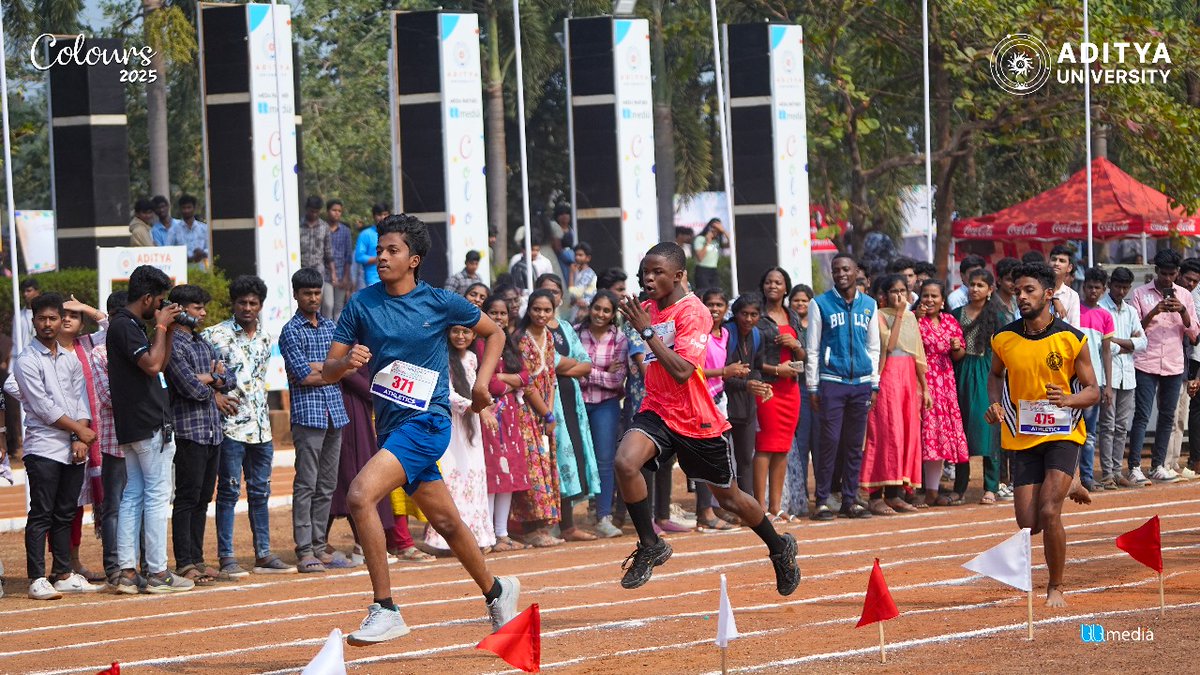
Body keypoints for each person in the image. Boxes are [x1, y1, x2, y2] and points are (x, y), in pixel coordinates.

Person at [321, 213, 520, 644]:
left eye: (392, 251)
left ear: (413, 259)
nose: (382, 258)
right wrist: (344, 363)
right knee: (446, 522)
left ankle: (386, 607)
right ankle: (497, 590)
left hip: (428, 421)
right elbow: (327, 371)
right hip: (391, 428)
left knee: (360, 494)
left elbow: (495, 333)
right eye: (379, 251)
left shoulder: (440, 302)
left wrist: (482, 385)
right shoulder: (361, 304)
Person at [613, 243, 799, 595]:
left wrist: (647, 332)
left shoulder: (693, 313)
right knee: (625, 462)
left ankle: (779, 548)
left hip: (696, 418)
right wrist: (637, 327)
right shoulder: (647, 308)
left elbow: (684, 371)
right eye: (644, 273)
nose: (648, 279)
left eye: (657, 273)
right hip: (657, 408)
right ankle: (650, 544)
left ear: (679, 276)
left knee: (729, 499)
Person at [985, 262, 1096, 608]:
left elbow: (1094, 391)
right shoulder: (1004, 339)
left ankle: (1056, 587)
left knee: (1049, 512)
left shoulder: (1071, 339)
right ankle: (1071, 483)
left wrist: (1068, 398)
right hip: (1023, 437)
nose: (1021, 296)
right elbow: (994, 376)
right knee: (1028, 523)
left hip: (1063, 434)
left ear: (1049, 294)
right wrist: (994, 405)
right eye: (1018, 291)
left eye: (1029, 290)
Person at [108, 266, 195, 594]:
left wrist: (168, 330)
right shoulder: (124, 325)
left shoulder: (125, 324)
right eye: (158, 301)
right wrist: (160, 326)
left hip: (136, 425)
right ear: (146, 298)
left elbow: (159, 358)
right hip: (147, 423)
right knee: (157, 496)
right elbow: (154, 365)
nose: (159, 307)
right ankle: (157, 572)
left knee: (133, 495)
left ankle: (128, 573)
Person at [204, 275, 294, 576]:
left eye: (253, 303)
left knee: (260, 492)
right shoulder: (212, 336)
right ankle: (227, 557)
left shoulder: (267, 339)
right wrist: (213, 395)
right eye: (241, 302)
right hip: (229, 427)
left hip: (261, 429)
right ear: (233, 303)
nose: (247, 307)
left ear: (261, 306)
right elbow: (191, 375)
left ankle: (264, 554)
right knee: (228, 492)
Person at [16, 293, 103, 599]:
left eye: (54, 318)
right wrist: (80, 431)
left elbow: (80, 398)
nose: (49, 324)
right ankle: (37, 577)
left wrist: (80, 437)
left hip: (73, 447)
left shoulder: (70, 358)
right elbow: (43, 408)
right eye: (43, 318)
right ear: (33, 321)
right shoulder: (26, 360)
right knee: (42, 512)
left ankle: (63, 572)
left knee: (66, 511)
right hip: (43, 448)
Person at [281, 268, 351, 572]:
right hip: (308, 416)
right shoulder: (290, 331)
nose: (313, 298)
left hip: (335, 414)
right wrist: (330, 369)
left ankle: (321, 546)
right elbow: (303, 376)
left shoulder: (330, 326)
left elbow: (345, 369)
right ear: (296, 295)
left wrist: (324, 369)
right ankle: (305, 549)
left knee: (327, 485)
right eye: (307, 293)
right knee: (306, 484)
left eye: (316, 293)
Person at [805, 254, 880, 520]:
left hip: (861, 384)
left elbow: (874, 347)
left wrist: (874, 383)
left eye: (846, 269)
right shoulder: (820, 304)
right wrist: (813, 386)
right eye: (836, 270)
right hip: (831, 382)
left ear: (856, 270)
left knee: (853, 445)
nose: (841, 274)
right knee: (830, 443)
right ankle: (823, 500)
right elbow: (812, 348)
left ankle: (850, 499)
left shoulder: (870, 305)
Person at [163, 284, 228, 586]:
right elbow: (188, 387)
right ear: (179, 309)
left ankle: (198, 559)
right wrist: (213, 379)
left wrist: (213, 379)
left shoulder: (202, 343)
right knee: (187, 498)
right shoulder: (173, 344)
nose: (202, 313)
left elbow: (229, 378)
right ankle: (184, 562)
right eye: (197, 308)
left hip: (213, 431)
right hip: (190, 431)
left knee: (203, 498)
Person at [535, 274, 600, 542]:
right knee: (546, 458)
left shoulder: (565, 327)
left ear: (561, 297)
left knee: (570, 457)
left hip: (570, 400)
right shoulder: (531, 331)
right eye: (545, 291)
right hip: (542, 401)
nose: (551, 296)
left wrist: (564, 365)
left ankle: (568, 524)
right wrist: (566, 364)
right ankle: (544, 523)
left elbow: (585, 363)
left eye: (555, 292)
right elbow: (548, 360)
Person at [1126, 249, 1197, 483]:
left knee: (1167, 416)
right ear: (1156, 271)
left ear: (1177, 273)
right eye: (1164, 273)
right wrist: (1155, 312)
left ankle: (1158, 465)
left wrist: (1183, 311)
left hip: (1174, 363)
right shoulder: (1140, 294)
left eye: (1172, 274)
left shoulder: (1185, 295)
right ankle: (1135, 466)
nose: (1168, 278)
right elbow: (1134, 330)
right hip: (1146, 361)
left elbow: (1194, 333)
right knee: (1143, 415)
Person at [424, 325, 497, 552]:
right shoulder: (442, 357)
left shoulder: (473, 358)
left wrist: (485, 404)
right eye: (455, 331)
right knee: (451, 475)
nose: (460, 336)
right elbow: (446, 394)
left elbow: (479, 387)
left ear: (474, 335)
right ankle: (444, 540)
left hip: (471, 426)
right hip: (450, 424)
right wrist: (478, 407)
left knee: (473, 475)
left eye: (466, 332)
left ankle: (477, 537)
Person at [862, 275, 927, 515]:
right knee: (886, 433)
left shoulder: (911, 317)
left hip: (908, 379)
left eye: (903, 290)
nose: (899, 295)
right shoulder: (878, 315)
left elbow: (918, 355)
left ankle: (894, 493)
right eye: (894, 291)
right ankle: (874, 495)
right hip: (887, 376)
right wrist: (899, 313)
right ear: (884, 295)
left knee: (905, 434)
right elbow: (887, 346)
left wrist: (925, 388)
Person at [478, 295, 532, 552]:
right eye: (494, 312)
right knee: (492, 472)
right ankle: (487, 532)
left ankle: (502, 532)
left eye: (502, 314)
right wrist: (505, 381)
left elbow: (525, 376)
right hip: (488, 412)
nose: (499, 318)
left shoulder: (510, 345)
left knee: (508, 471)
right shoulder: (479, 344)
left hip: (509, 415)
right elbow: (491, 385)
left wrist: (502, 376)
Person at [510, 289, 564, 547]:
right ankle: (529, 526)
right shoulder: (520, 339)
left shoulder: (550, 337)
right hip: (524, 409)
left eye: (547, 310)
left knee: (544, 464)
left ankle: (543, 525)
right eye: (537, 309)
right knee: (531, 466)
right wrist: (545, 412)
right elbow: (526, 382)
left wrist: (549, 413)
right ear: (528, 309)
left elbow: (551, 377)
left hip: (544, 411)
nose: (541, 315)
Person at [578, 290, 631, 539]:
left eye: (606, 310)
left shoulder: (619, 338)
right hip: (576, 402)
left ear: (613, 315)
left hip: (606, 405)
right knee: (573, 458)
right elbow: (565, 369)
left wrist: (586, 370)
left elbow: (618, 380)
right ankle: (563, 519)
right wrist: (601, 371)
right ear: (590, 308)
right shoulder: (575, 333)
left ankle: (603, 517)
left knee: (605, 461)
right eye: (597, 308)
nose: (600, 314)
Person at [951, 269, 1005, 504]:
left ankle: (990, 487)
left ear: (990, 290)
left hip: (986, 372)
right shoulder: (955, 314)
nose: (975, 289)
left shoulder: (996, 316)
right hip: (960, 372)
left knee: (988, 428)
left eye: (981, 285)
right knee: (960, 430)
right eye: (972, 284)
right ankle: (959, 487)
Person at [755, 267, 803, 521]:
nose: (773, 286)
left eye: (778, 282)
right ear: (763, 286)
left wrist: (795, 346)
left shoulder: (792, 316)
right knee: (765, 446)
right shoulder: (756, 316)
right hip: (766, 388)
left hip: (790, 389)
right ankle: (759, 507)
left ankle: (776, 507)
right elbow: (748, 358)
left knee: (782, 447)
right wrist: (776, 369)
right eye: (769, 281)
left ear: (786, 288)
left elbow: (803, 358)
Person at [916, 279, 970, 506]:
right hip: (921, 381)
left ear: (942, 300)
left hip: (945, 383)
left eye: (934, 296)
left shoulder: (949, 321)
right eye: (925, 295)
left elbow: (959, 355)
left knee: (938, 438)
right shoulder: (914, 320)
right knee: (921, 435)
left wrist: (957, 348)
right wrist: (916, 319)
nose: (929, 300)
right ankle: (912, 490)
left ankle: (932, 491)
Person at [1098, 267, 1147, 488]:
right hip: (1107, 375)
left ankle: (1117, 471)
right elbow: (1101, 346)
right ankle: (1107, 472)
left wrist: (1117, 342)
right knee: (1107, 425)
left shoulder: (1130, 311)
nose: (1121, 290)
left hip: (1128, 375)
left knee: (1121, 426)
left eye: (1125, 287)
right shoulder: (1100, 309)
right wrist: (1126, 343)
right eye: (1118, 286)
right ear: (1110, 284)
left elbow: (1143, 343)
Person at [1077, 268, 1115, 491]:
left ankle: (1087, 477)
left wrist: (1108, 386)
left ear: (1103, 290)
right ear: (1084, 287)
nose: (1093, 291)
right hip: (1073, 382)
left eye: (1097, 288)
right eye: (1090, 286)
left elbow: (1106, 352)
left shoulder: (1105, 316)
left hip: (1095, 381)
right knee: (1070, 432)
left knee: (1090, 434)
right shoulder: (1074, 311)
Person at [780, 284, 816, 519]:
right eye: (796, 300)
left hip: (814, 386)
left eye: (805, 300)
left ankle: (817, 494)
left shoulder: (815, 324)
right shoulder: (789, 326)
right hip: (793, 386)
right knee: (799, 444)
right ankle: (799, 493)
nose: (801, 304)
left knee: (817, 442)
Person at [325, 199, 355, 321]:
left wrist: (346, 277)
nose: (337, 213)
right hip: (326, 274)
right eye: (334, 210)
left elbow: (348, 256)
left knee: (339, 307)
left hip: (342, 273)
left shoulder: (345, 231)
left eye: (339, 211)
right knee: (327, 305)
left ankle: (336, 337)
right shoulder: (323, 228)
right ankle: (325, 334)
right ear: (328, 211)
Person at [165, 194, 209, 267]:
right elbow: (168, 251)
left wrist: (202, 253)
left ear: (194, 208)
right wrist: (184, 257)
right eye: (184, 208)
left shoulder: (204, 228)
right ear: (180, 209)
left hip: (202, 270)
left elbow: (211, 249)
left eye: (189, 207)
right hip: (181, 270)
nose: (186, 210)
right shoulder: (173, 230)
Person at [300, 195, 333, 287]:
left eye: (316, 212)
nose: (314, 214)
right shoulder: (298, 225)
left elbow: (328, 251)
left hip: (318, 269)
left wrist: (333, 273)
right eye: (311, 211)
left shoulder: (324, 227)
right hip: (301, 268)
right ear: (307, 209)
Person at [355, 203, 390, 287]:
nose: (382, 217)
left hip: (391, 279)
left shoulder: (394, 234)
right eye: (379, 215)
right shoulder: (366, 234)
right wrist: (377, 259)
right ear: (374, 216)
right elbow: (359, 257)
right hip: (372, 281)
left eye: (385, 214)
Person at [1048, 245, 1081, 327]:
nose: (1056, 263)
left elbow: (1074, 328)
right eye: (1054, 259)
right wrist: (1053, 299)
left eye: (1061, 261)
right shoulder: (1039, 288)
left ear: (1069, 268)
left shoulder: (1072, 296)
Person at [692, 218, 726, 292]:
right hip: (702, 270)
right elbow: (700, 257)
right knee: (704, 292)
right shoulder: (700, 239)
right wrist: (707, 242)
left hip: (713, 270)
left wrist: (723, 231)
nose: (715, 230)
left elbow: (732, 244)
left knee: (715, 292)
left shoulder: (717, 241)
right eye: (714, 227)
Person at [567, 242, 598, 322]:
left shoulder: (588, 273)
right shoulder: (578, 272)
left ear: (588, 258)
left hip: (584, 313)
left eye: (580, 255)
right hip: (577, 311)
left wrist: (571, 274)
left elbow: (575, 294)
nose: (577, 257)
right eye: (576, 255)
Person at [994, 257, 1022, 323]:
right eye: (1009, 279)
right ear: (999, 280)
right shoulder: (990, 303)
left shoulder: (1019, 300)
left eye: (1016, 279)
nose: (1013, 284)